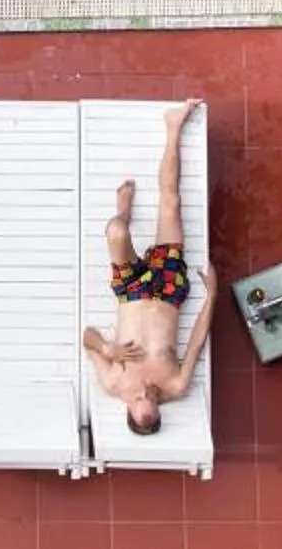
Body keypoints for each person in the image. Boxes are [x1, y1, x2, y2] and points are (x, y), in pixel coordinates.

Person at [82, 100, 213, 437]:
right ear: (158, 410)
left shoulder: (113, 383)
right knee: (171, 201)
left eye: (139, 397)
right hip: (169, 291)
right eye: (151, 397)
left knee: (116, 230)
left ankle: (123, 210)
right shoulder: (176, 385)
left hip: (131, 292)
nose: (146, 390)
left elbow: (86, 338)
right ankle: (174, 127)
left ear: (129, 407)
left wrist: (107, 349)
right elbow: (198, 340)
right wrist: (212, 293)